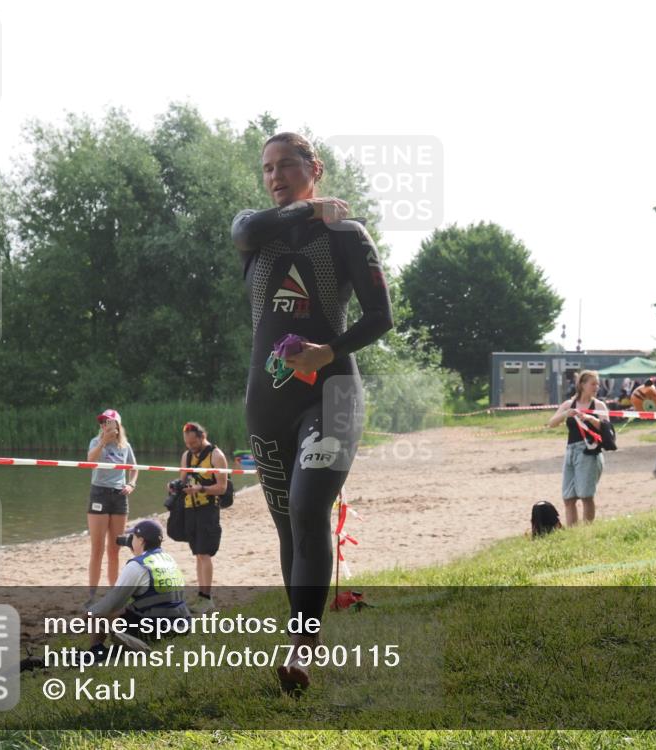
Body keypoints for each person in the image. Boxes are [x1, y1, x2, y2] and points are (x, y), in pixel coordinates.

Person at [231, 132, 394, 692]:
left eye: (287, 165)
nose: (275, 176)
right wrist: (306, 207)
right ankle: (298, 636)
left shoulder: (346, 233)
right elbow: (246, 229)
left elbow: (380, 318)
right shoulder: (256, 234)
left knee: (307, 508)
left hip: (332, 395)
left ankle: (303, 646)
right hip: (266, 401)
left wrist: (329, 351)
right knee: (286, 526)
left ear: (314, 166)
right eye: (267, 168)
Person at [83, 519, 191, 659]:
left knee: (101, 613)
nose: (130, 540)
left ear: (140, 540)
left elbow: (112, 602)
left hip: (156, 629)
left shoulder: (137, 565)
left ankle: (96, 649)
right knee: (128, 608)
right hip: (181, 626)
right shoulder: (168, 559)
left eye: (133, 537)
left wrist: (87, 615)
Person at [171, 421, 228, 614]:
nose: (190, 447)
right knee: (197, 554)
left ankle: (207, 597)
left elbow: (222, 488)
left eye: (193, 443)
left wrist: (201, 488)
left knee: (204, 554)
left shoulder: (216, 455)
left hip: (207, 509)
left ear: (202, 437)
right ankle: (201, 596)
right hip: (189, 509)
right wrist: (175, 486)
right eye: (187, 444)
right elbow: (183, 479)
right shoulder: (186, 456)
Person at [86, 408, 139, 603]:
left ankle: (114, 595)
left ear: (117, 425)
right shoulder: (96, 441)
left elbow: (135, 468)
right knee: (97, 548)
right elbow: (90, 460)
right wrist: (103, 441)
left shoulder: (125, 446)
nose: (104, 426)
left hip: (119, 496)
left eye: (108, 422)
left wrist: (132, 484)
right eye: (102, 423)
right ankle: (91, 596)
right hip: (99, 492)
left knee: (114, 549)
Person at [547, 370, 609, 527]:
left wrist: (591, 418)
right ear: (582, 384)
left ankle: (587, 530)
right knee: (568, 497)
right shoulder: (569, 404)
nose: (596, 387)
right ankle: (573, 531)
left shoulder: (599, 405)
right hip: (571, 451)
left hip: (589, 453)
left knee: (586, 495)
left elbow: (607, 428)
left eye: (597, 384)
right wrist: (565, 414)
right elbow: (551, 423)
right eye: (593, 384)